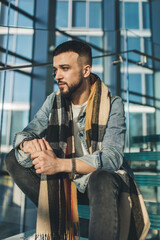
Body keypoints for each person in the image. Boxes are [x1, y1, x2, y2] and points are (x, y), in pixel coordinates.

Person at [5, 40, 144, 240]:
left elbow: (112, 158)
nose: (57, 76)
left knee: (101, 177)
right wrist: (27, 144)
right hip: (67, 185)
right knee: (13, 159)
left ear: (86, 70)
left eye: (65, 68)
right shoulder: (54, 101)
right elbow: (28, 132)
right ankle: (62, 224)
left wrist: (59, 164)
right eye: (55, 70)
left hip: (101, 186)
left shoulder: (113, 104)